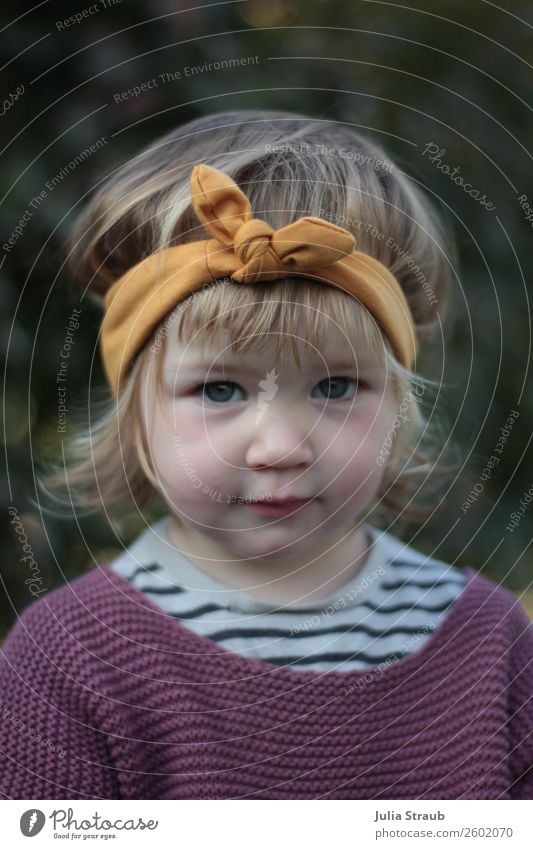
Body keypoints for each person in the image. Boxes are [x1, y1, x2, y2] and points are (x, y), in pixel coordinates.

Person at [1, 110, 531, 800]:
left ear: (400, 405)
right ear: (137, 413)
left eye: (336, 385)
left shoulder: (489, 645)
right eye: (218, 388)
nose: (280, 446)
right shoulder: (70, 657)